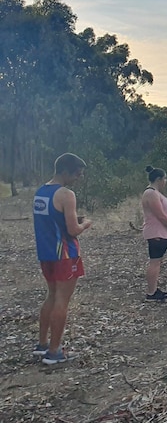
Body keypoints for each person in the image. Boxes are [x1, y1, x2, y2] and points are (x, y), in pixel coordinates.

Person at [32, 153, 92, 364]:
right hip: (65, 255)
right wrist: (85, 224)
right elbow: (73, 230)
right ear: (65, 171)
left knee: (51, 296)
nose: (79, 178)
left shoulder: (41, 192)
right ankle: (55, 351)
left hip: (47, 254)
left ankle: (42, 344)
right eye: (77, 174)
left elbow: (52, 221)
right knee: (61, 301)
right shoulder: (66, 194)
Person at [142, 165, 167, 301]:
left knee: (157, 261)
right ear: (158, 179)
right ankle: (151, 292)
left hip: (160, 232)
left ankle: (154, 289)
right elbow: (160, 215)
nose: (166, 181)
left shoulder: (154, 193)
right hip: (156, 233)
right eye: (165, 178)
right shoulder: (151, 193)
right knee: (155, 262)